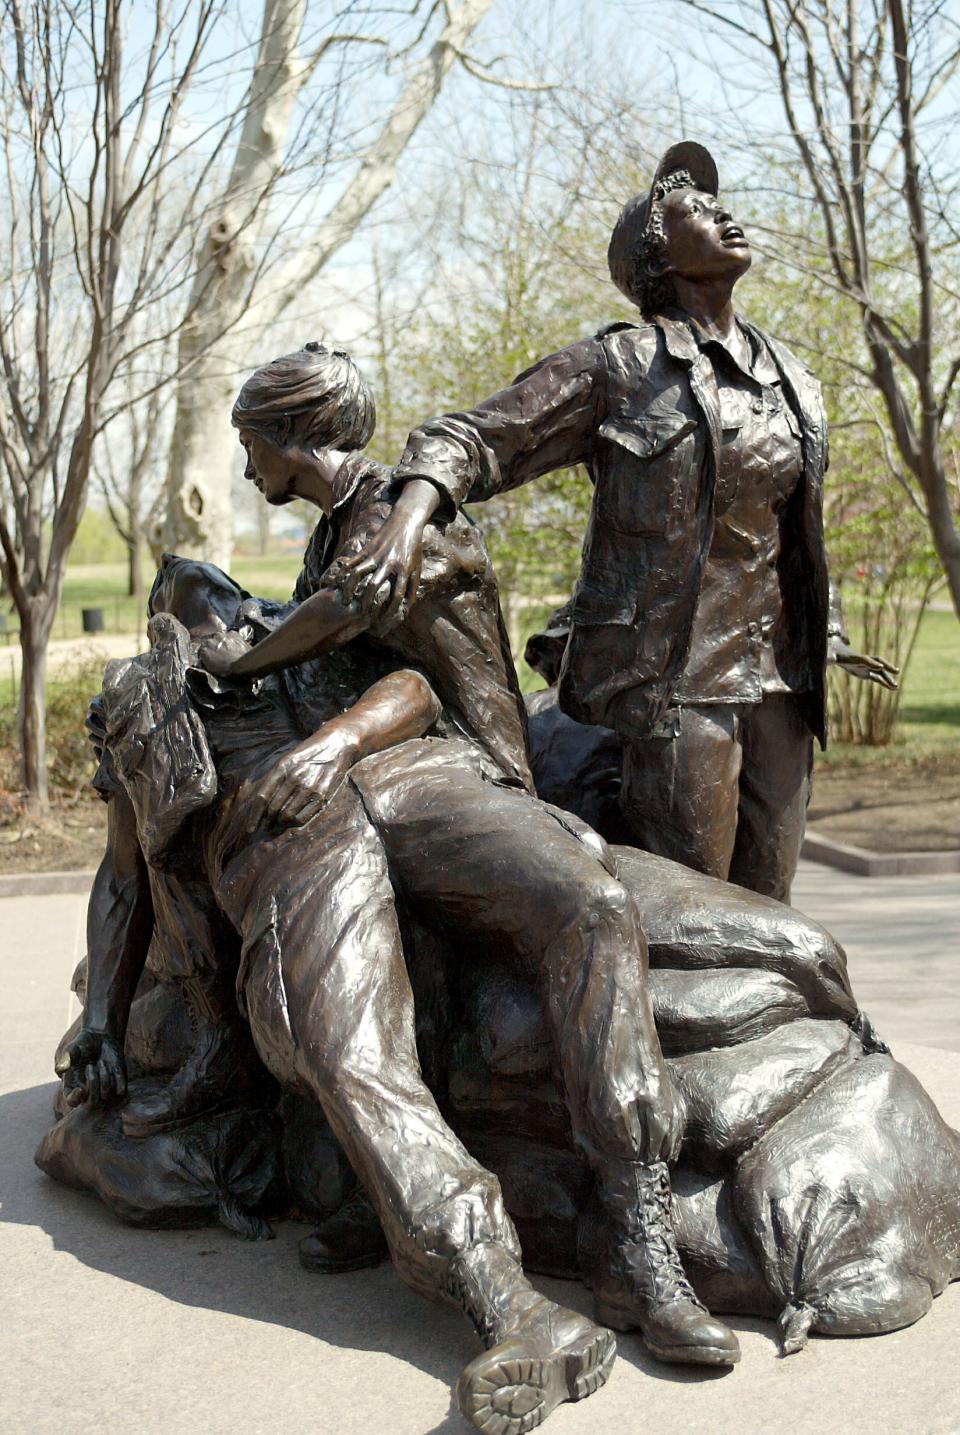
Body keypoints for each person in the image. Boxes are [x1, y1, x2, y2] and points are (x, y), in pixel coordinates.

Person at [198, 342, 742, 1369]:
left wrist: (245, 654)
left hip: (476, 769)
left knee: (588, 905)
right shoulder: (334, 531)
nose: (246, 469)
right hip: (398, 780)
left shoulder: (404, 516)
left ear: (285, 437)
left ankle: (636, 1234)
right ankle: (376, 1187)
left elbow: (355, 608)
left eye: (249, 445)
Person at [62, 557, 619, 1435]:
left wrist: (339, 739)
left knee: (591, 899)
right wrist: (99, 1020)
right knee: (352, 1055)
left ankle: (636, 1217)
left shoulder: (302, 636)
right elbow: (126, 875)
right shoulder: (148, 699)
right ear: (159, 629)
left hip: (406, 781)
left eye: (221, 585)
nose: (202, 590)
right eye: (177, 592)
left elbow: (414, 689)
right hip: (294, 845)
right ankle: (510, 1301)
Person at [334, 142, 896, 903]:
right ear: (656, 255)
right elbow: (470, 436)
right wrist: (407, 516)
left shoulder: (791, 376)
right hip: (678, 686)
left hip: (782, 688)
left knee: (774, 912)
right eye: (697, 211)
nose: (726, 216)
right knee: (699, 911)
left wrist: (825, 630)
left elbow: (794, 534)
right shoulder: (620, 368)